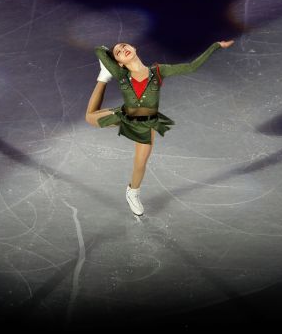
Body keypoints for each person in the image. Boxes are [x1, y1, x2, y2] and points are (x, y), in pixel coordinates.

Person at [85, 39, 235, 215]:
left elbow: (191, 67)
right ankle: (103, 77)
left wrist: (215, 46)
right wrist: (108, 63)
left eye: (125, 46)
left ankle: (132, 192)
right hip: (125, 116)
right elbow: (99, 50)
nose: (123, 49)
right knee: (89, 117)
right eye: (118, 52)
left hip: (146, 124)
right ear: (119, 63)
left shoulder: (158, 71)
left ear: (134, 48)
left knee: (140, 164)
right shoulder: (121, 75)